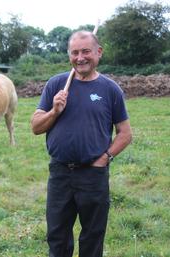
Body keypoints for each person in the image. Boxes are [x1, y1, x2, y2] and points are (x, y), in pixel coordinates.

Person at [31, 30, 132, 257]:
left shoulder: (110, 89)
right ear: (69, 55)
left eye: (86, 51)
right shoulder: (56, 84)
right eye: (75, 52)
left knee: (93, 237)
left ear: (99, 52)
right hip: (60, 174)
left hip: (93, 175)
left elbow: (125, 133)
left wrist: (105, 158)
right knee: (57, 237)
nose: (80, 57)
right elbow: (36, 127)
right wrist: (54, 111)